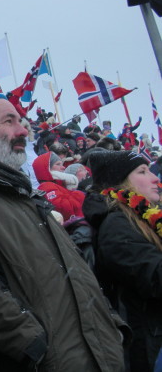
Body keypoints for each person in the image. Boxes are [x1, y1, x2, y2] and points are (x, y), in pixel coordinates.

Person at [0, 92, 127, 371]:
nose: (23, 130)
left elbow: (77, 270)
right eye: (9, 121)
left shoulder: (27, 197)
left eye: (21, 121)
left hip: (102, 356)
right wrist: (34, 346)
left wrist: (113, 325)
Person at [83, 150, 162, 371]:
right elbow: (156, 277)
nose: (155, 177)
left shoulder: (144, 217)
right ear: (120, 183)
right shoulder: (116, 226)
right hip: (146, 348)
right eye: (142, 171)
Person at [32, 151, 85, 221]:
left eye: (62, 164)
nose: (63, 167)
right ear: (47, 169)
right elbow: (63, 210)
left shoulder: (58, 185)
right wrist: (78, 194)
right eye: (58, 164)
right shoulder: (46, 186)